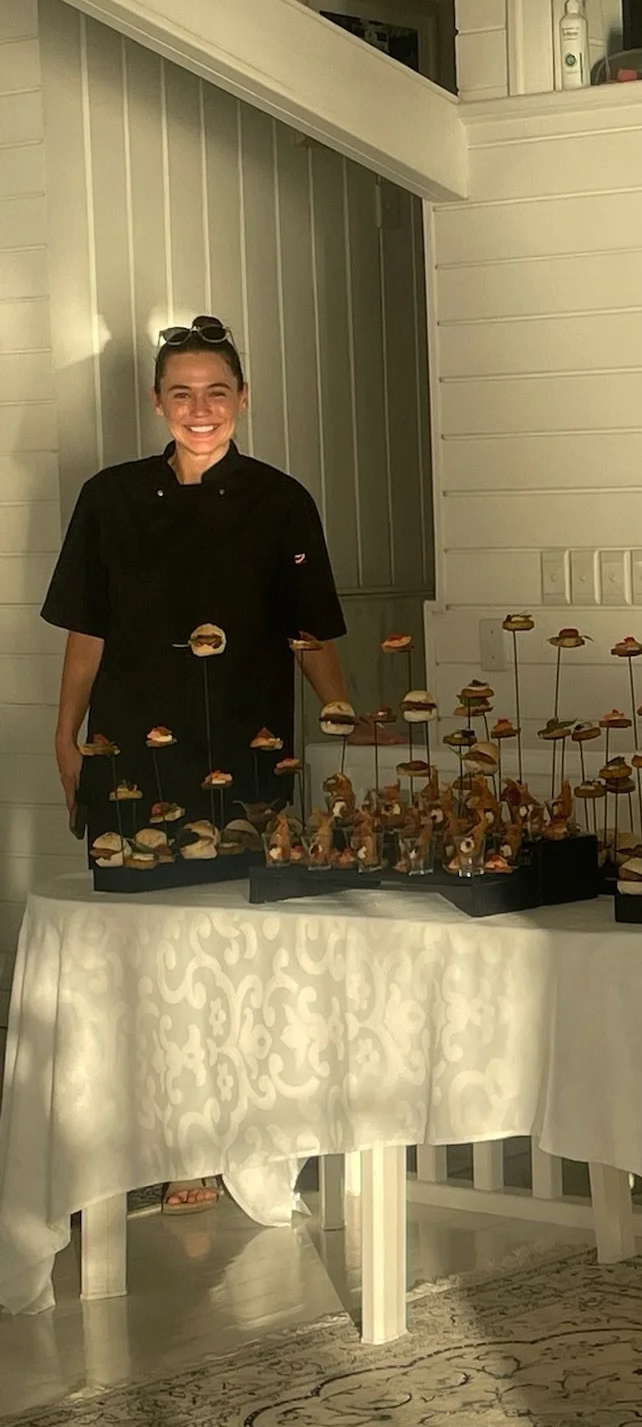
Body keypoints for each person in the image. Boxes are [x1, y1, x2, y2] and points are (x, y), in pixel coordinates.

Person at [41, 316, 358, 1213]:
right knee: (138, 961)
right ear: (157, 402)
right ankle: (148, 1141)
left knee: (236, 955)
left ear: (243, 399)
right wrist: (65, 737)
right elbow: (87, 631)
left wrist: (344, 716)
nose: (200, 407)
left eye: (217, 390)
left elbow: (309, 633)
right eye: (181, 392)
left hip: (246, 756)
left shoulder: (280, 500)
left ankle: (230, 1142)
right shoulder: (109, 497)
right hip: (129, 755)